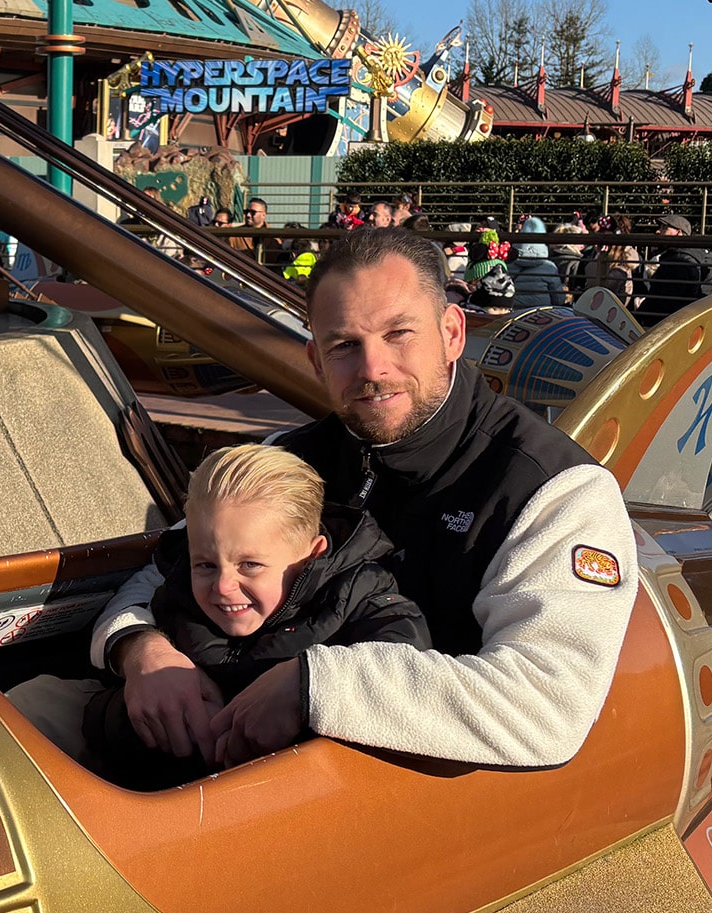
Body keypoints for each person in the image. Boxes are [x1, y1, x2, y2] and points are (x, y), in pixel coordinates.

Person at [74, 227, 639, 770]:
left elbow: (545, 708)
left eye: (399, 334)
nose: (373, 369)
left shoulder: (552, 492)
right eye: (344, 345)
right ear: (315, 361)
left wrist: (314, 686)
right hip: (215, 754)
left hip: (382, 805)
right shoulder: (290, 457)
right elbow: (165, 569)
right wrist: (141, 649)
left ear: (452, 334)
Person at [78, 444, 429, 788]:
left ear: (311, 555)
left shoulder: (369, 605)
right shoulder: (179, 586)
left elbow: (409, 682)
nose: (223, 586)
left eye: (250, 565)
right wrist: (142, 678)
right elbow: (139, 599)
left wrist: (307, 691)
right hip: (146, 776)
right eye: (206, 564)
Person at [638, 214, 712, 322]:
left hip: (666, 324)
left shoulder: (676, 262)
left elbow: (660, 300)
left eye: (665, 228)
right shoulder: (701, 257)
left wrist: (639, 315)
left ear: (679, 233)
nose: (658, 231)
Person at [510, 216, 565, 309]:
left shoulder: (509, 265)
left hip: (515, 314)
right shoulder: (549, 267)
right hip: (542, 316)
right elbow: (559, 299)